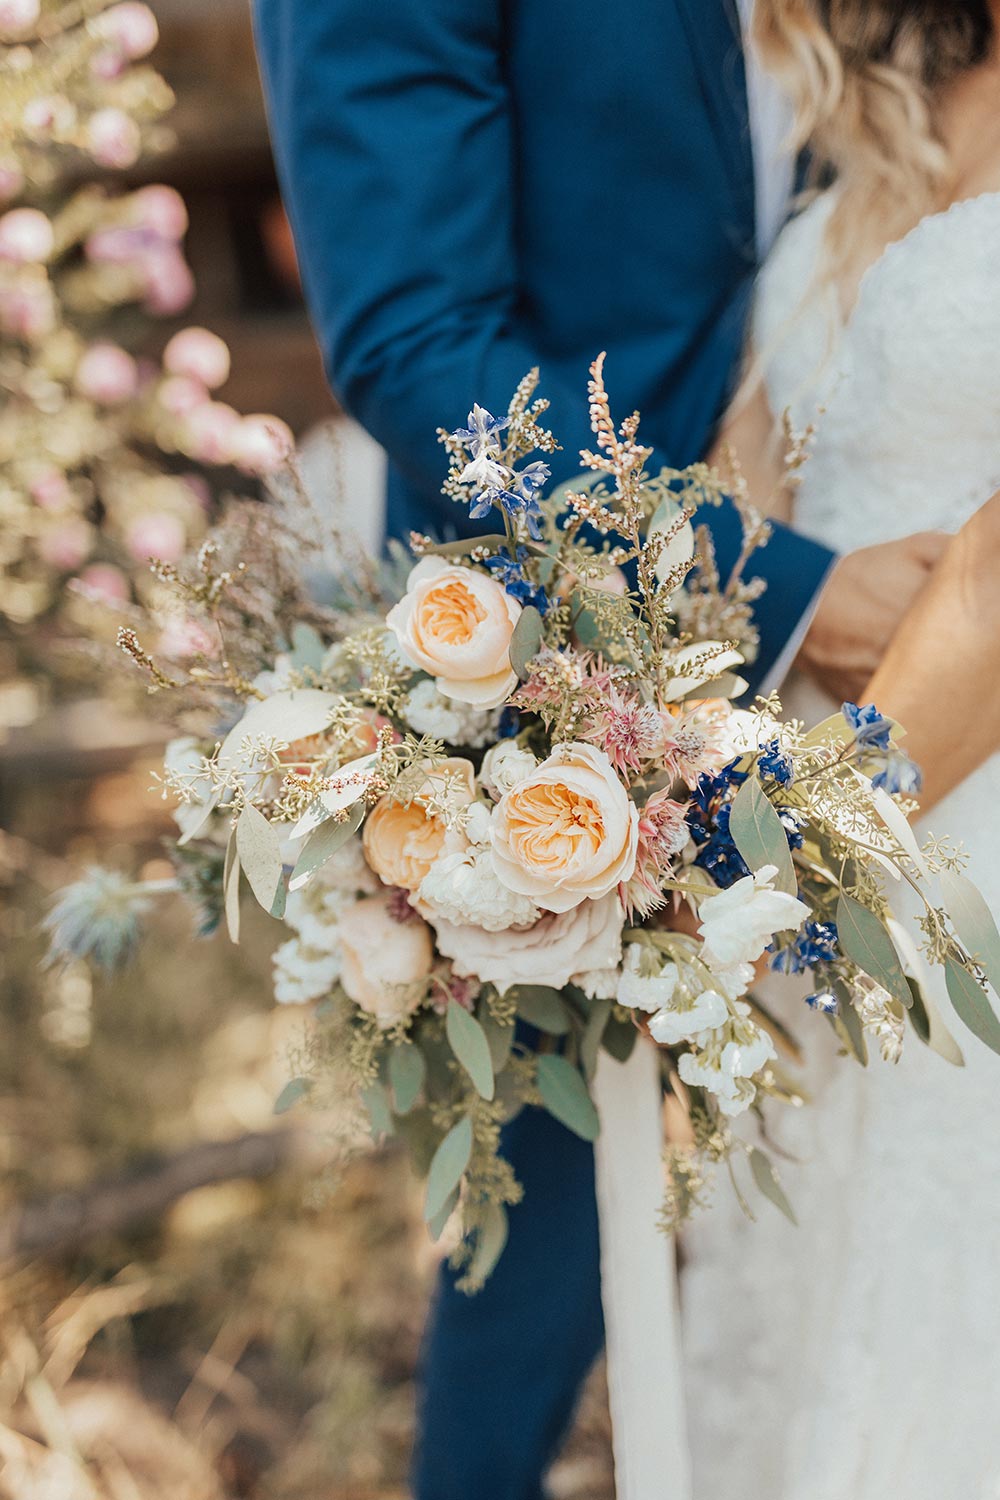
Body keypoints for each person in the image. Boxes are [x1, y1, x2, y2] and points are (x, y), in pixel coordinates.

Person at [250, 2, 949, 1494]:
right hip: (551, 641)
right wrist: (779, 579)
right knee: (548, 1217)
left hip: (903, 617)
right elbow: (416, 339)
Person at [681, 4, 1000, 1497]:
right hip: (803, 851)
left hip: (934, 838)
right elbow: (746, 487)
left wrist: (776, 874)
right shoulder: (879, 112)